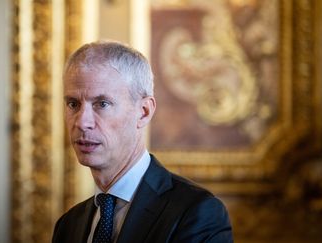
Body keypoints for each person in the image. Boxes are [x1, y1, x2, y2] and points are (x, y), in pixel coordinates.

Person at [52, 40, 233, 243]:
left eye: (102, 104)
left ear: (144, 112)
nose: (82, 122)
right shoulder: (68, 225)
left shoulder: (197, 214)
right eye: (73, 104)